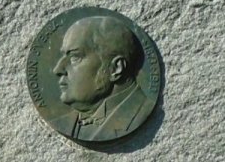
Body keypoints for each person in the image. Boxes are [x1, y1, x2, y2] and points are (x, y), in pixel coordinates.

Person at [49, 14, 153, 142]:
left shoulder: (140, 112)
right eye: (63, 56)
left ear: (116, 69)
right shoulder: (62, 122)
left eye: (75, 57)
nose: (57, 69)